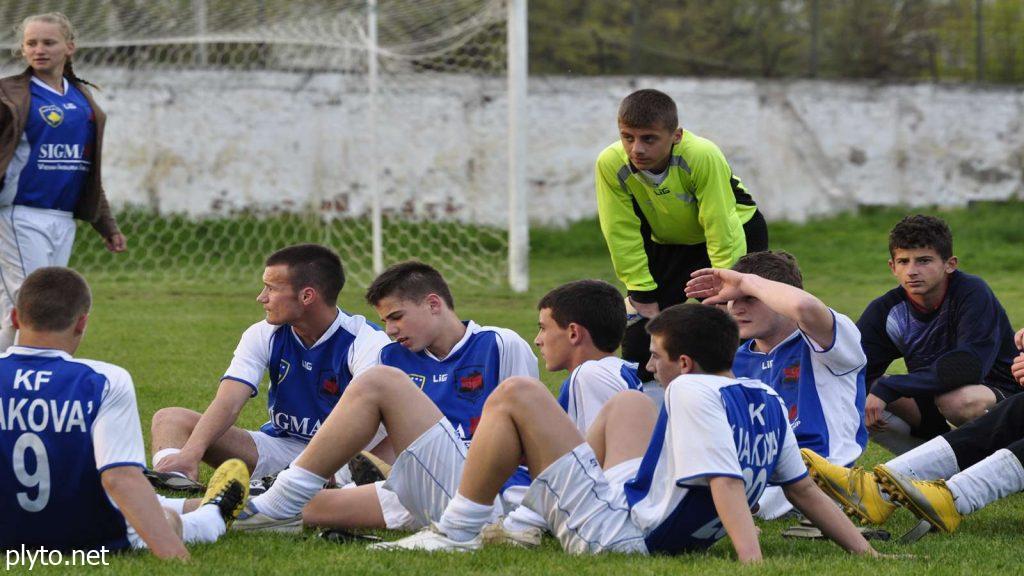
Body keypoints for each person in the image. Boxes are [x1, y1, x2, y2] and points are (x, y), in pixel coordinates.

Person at [372, 304, 876, 562]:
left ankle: (457, 532)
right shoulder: (761, 395)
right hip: (655, 522)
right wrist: (867, 553)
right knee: (629, 403)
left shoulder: (689, 391)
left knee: (517, 394)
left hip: (625, 536)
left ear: (684, 362)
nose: (650, 366)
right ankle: (526, 518)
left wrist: (753, 562)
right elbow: (804, 489)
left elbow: (723, 481)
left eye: (656, 356)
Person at [233, 260, 538, 532]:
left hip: (484, 490)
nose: (390, 330)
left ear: (433, 304)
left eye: (397, 317)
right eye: (385, 322)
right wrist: (348, 480)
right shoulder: (391, 357)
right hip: (415, 486)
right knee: (293, 508)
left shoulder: (499, 344)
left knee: (296, 507)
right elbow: (387, 445)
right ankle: (190, 518)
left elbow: (526, 434)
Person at [0, 267, 246, 558]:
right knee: (164, 520)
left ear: (15, 318)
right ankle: (213, 514)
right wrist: (177, 557)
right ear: (81, 323)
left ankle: (196, 506)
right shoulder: (103, 379)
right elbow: (120, 478)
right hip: (88, 539)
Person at [148, 244, 391, 503]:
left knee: (347, 476)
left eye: (271, 288)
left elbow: (366, 423)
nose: (261, 297)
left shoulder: (367, 343)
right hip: (280, 448)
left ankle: (299, 488)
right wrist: (191, 453)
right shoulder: (263, 333)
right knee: (169, 419)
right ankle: (176, 479)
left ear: (307, 296)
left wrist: (317, 468)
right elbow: (229, 401)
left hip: (343, 457)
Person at [596, 88, 768, 381]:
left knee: (737, 327)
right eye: (627, 137)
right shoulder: (611, 163)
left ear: (675, 135)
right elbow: (619, 229)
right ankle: (645, 410)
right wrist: (640, 289)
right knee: (640, 340)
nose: (636, 148)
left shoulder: (701, 154)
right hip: (670, 243)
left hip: (736, 234)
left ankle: (749, 396)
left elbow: (720, 221)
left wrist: (729, 282)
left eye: (648, 138)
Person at [685, 251, 866, 518]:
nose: (737, 308)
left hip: (822, 482)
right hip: (762, 482)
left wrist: (747, 281)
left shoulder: (828, 343)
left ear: (781, 299)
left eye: (750, 298)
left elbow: (804, 307)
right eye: (732, 300)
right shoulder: (734, 359)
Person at [802, 327, 1024, 531]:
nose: (912, 280)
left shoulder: (972, 294)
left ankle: (955, 498)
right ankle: (876, 491)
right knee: (1018, 406)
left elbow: (968, 364)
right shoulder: (892, 305)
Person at [0, 12, 127, 351]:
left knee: (17, 303)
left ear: (69, 47)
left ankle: (7, 380)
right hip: (19, 214)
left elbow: (87, 170)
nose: (38, 49)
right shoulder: (9, 94)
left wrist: (107, 224)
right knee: (37, 300)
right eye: (31, 43)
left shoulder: (82, 100)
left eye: (48, 42)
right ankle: (34, 375)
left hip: (63, 220)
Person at [857, 215, 1020, 453]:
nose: (912, 271)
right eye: (903, 261)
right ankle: (935, 464)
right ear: (892, 267)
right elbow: (853, 366)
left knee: (958, 401)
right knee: (858, 397)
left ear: (950, 264)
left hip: (1002, 395)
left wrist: (890, 385)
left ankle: (1007, 458)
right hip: (934, 399)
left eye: (923, 261)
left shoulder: (971, 292)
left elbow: (968, 366)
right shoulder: (888, 311)